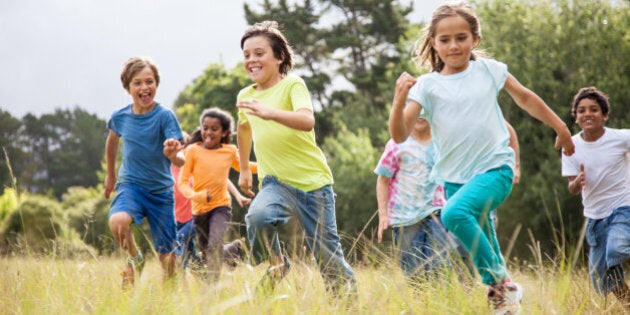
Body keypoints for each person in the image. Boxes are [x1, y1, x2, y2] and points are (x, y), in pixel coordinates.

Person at [388, 2, 575, 314]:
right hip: (452, 179)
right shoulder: (428, 86)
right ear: (433, 42)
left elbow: (525, 98)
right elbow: (399, 135)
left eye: (461, 37)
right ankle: (506, 301)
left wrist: (560, 127)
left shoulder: (489, 70)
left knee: (452, 215)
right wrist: (398, 101)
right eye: (444, 39)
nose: (453, 45)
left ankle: (501, 283)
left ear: (475, 39)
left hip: (495, 169)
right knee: (484, 236)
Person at [235, 21, 357, 297]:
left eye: (259, 53)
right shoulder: (245, 96)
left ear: (279, 58)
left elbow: (306, 120)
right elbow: (243, 128)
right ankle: (278, 264)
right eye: (246, 55)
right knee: (257, 217)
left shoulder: (293, 84)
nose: (251, 60)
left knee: (327, 257)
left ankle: (347, 304)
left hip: (313, 184)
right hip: (275, 183)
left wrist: (270, 113)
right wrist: (243, 168)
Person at [104, 56, 185, 290]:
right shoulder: (120, 117)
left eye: (149, 82)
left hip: (161, 192)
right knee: (118, 222)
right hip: (131, 186)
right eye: (137, 83)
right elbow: (112, 142)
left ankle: (168, 297)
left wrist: (172, 154)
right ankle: (136, 258)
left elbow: (181, 159)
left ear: (156, 84)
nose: (144, 87)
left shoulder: (164, 116)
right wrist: (111, 175)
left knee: (168, 258)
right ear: (128, 88)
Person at [561, 87, 630, 307]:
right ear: (576, 117)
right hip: (595, 218)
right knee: (601, 278)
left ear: (605, 115)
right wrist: (577, 181)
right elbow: (571, 187)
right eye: (581, 110)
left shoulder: (621, 138)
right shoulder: (570, 146)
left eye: (594, 109)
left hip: (623, 207)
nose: (587, 114)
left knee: (616, 249)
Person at [375, 116, 457, 281]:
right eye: (416, 109)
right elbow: (383, 180)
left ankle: (440, 303)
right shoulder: (397, 144)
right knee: (414, 274)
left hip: (437, 212)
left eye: (425, 109)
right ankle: (421, 304)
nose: (421, 115)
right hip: (404, 218)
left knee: (439, 267)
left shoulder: (442, 143)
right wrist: (383, 215)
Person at [177, 108, 255, 283]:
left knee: (213, 246)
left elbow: (245, 166)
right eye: (205, 128)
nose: (208, 132)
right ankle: (232, 250)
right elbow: (182, 184)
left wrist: (268, 165)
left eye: (214, 129)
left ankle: (211, 289)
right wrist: (198, 196)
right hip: (198, 212)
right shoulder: (192, 151)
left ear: (224, 132)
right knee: (207, 255)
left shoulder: (229, 151)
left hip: (221, 207)